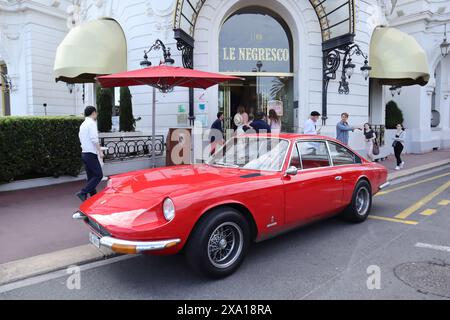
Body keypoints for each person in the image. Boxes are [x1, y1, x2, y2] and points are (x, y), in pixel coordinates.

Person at [76, 106, 104, 202]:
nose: (97, 115)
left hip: (84, 153)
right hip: (90, 154)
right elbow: (94, 139)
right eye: (96, 113)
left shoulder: (83, 124)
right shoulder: (91, 123)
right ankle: (83, 193)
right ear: (93, 113)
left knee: (91, 177)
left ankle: (93, 197)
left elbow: (81, 139)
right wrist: (100, 151)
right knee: (98, 175)